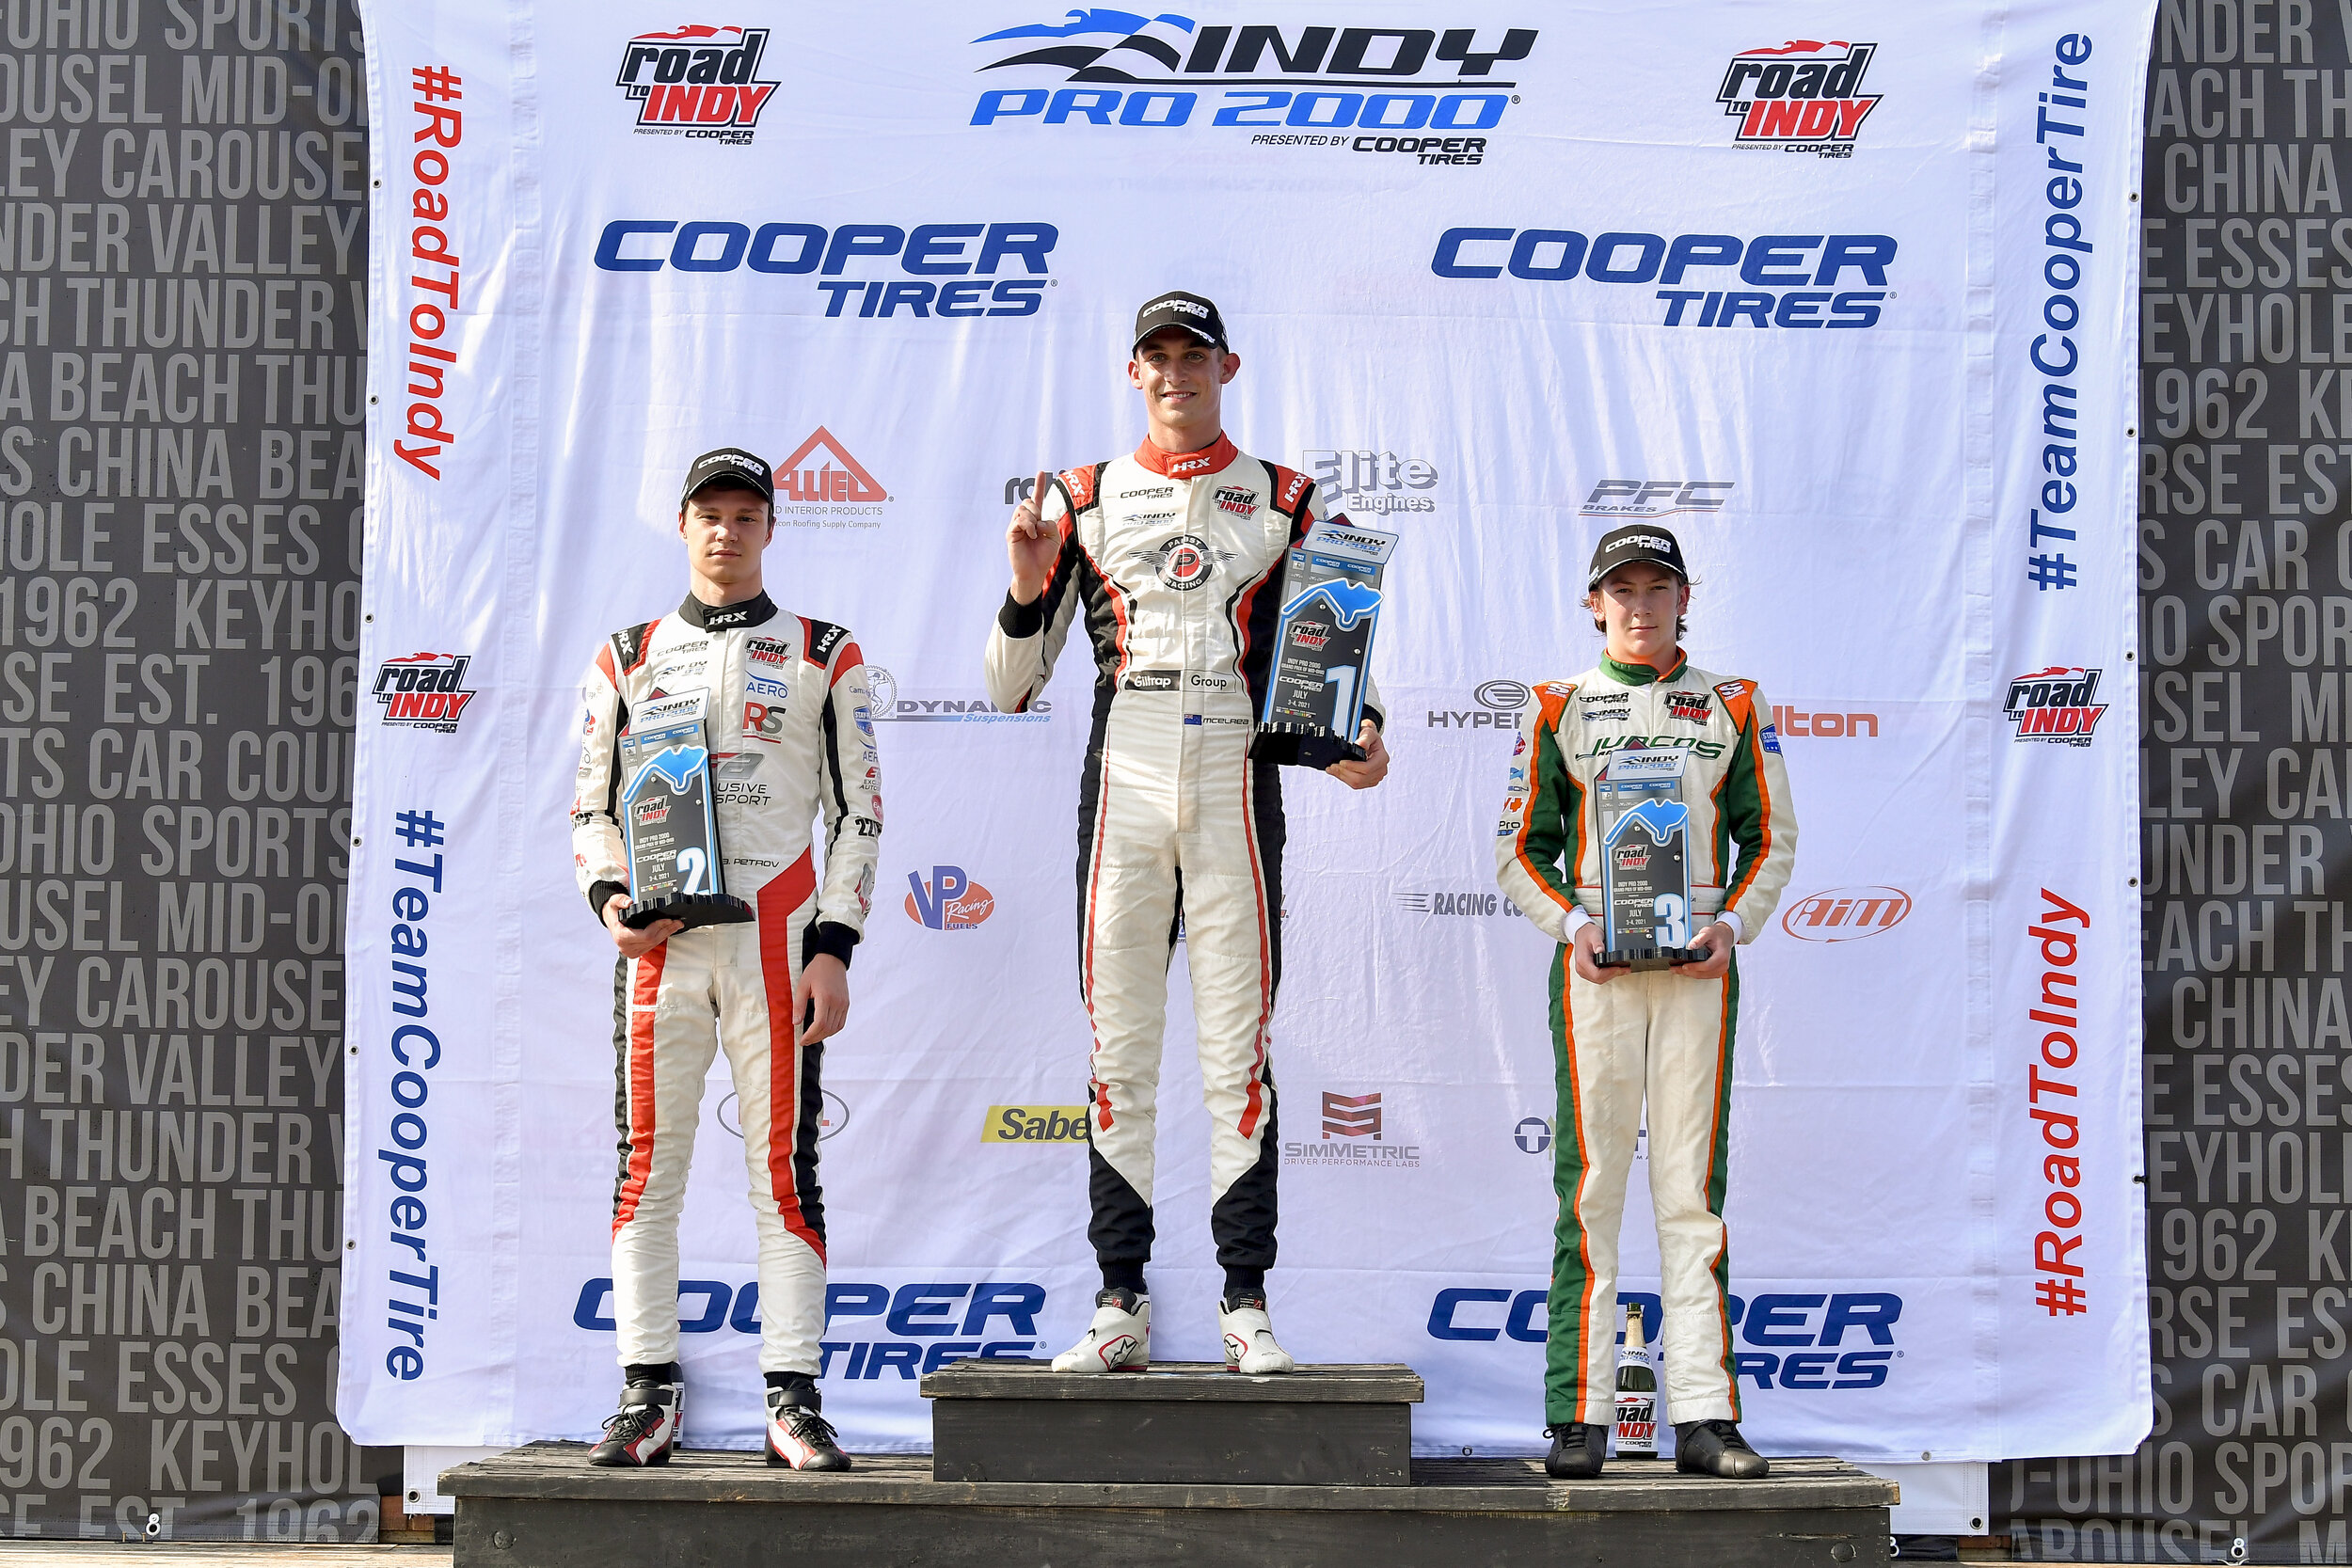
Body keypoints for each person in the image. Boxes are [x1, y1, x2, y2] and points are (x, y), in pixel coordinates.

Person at [983, 291, 1391, 1374]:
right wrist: (1025, 582)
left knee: (1236, 1052)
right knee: (1117, 1047)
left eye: (1193, 355)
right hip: (1124, 767)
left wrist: (1358, 731)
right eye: (1156, 357)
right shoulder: (1078, 497)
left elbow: (1330, 663)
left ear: (1227, 367)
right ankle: (1118, 1298)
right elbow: (1010, 687)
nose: (1175, 374)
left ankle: (1245, 1301)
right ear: (1133, 372)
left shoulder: (1290, 499)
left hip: (1233, 775)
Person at [569, 448, 881, 1469]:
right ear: (682, 523)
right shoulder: (625, 655)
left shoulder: (824, 650)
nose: (726, 531)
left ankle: (793, 1398)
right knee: (646, 1169)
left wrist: (833, 943)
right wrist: (611, 901)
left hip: (775, 943)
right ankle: (646, 1391)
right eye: (710, 513)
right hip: (662, 948)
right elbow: (588, 809)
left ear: (770, 529)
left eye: (747, 515)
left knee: (782, 1171)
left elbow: (859, 814)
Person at [1494, 523, 1797, 1481]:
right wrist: (1570, 925)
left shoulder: (1733, 703)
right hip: (1598, 973)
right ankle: (1578, 1414)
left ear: (1684, 598)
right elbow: (1519, 847)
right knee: (1590, 1191)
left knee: (1689, 1194)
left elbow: (1769, 835)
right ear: (1594, 604)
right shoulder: (1558, 705)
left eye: (1655, 588)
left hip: (1697, 970)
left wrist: (1732, 924)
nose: (1638, 605)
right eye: (1620, 590)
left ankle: (1705, 1414)